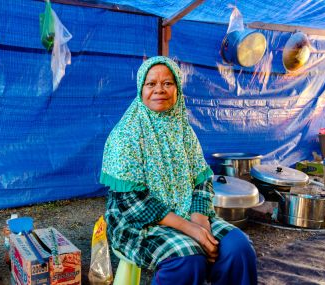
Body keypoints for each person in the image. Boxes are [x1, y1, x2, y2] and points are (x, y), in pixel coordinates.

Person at [100, 56, 257, 285]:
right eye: (151, 84)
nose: (159, 90)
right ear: (140, 89)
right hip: (137, 221)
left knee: (238, 249)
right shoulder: (126, 135)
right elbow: (134, 205)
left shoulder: (184, 130)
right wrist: (192, 230)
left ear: (177, 89)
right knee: (187, 259)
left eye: (168, 83)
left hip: (187, 211)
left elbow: (201, 181)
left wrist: (200, 221)